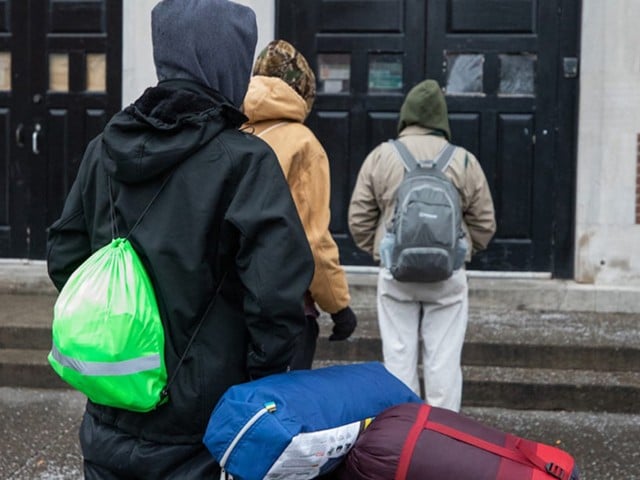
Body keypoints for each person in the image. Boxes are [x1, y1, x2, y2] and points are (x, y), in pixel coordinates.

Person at [46, 1, 314, 478]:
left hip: (112, 402)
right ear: (228, 61)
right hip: (204, 426)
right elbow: (275, 299)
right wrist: (258, 387)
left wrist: (122, 330)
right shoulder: (245, 162)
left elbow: (65, 256)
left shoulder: (103, 148)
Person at [348, 79, 496, 412]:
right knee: (443, 360)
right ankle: (441, 437)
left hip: (396, 274)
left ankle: (403, 432)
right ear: (442, 119)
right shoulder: (463, 161)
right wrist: (462, 251)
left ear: (406, 116)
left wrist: (381, 251)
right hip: (447, 275)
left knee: (398, 357)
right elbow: (485, 223)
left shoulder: (381, 157)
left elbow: (358, 219)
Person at [242, 39, 357, 369]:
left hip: (225, 303)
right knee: (281, 408)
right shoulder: (302, 144)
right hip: (284, 304)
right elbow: (312, 240)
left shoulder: (228, 130)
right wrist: (338, 305)